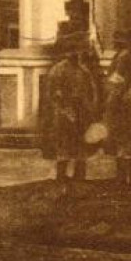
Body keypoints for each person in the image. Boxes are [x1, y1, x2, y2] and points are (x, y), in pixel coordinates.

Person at [40, 30, 97, 186]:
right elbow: (55, 94)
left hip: (81, 116)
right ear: (68, 52)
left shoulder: (84, 71)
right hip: (64, 115)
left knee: (81, 150)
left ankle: (80, 179)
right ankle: (61, 179)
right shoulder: (58, 70)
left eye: (79, 50)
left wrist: (89, 112)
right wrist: (65, 110)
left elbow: (91, 93)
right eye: (74, 50)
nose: (77, 54)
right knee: (64, 148)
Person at [105, 30, 131, 187]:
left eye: (116, 41)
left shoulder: (123, 58)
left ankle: (126, 179)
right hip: (128, 101)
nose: (114, 43)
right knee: (126, 142)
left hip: (124, 102)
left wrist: (111, 97)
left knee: (125, 141)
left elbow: (118, 81)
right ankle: (127, 178)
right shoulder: (124, 57)